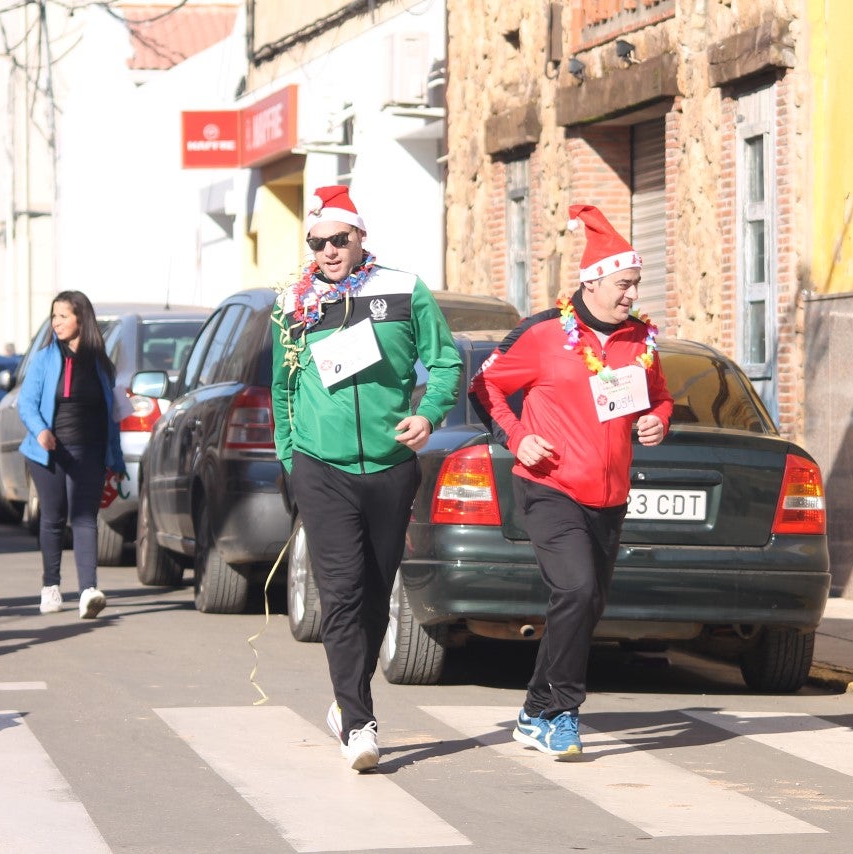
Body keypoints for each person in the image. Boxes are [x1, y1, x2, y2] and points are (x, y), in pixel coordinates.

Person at [469, 204, 673, 758]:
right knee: (576, 589)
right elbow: (484, 385)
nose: (632, 294)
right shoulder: (542, 334)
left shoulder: (640, 340)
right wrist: (517, 438)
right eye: (625, 284)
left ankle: (534, 710)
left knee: (587, 604)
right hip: (549, 485)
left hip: (609, 495)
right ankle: (563, 712)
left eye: (636, 284)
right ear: (594, 278)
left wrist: (658, 420)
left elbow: (658, 397)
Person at [272, 185, 461, 771]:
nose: (327, 251)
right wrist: (290, 458)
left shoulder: (404, 290)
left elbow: (448, 359)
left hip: (389, 466)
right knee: (342, 591)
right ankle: (359, 720)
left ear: (360, 237)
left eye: (338, 239)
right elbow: (282, 389)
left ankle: (344, 701)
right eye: (316, 242)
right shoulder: (293, 304)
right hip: (320, 467)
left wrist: (428, 414)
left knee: (376, 592)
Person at [18, 291, 125, 620]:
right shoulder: (45, 359)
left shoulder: (101, 364)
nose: (57, 322)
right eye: (54, 317)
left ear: (81, 318)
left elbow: (113, 415)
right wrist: (41, 432)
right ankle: (51, 587)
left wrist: (116, 461)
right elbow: (27, 403)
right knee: (52, 519)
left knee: (84, 519)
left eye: (63, 316)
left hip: (89, 452)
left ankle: (88, 591)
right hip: (48, 451)